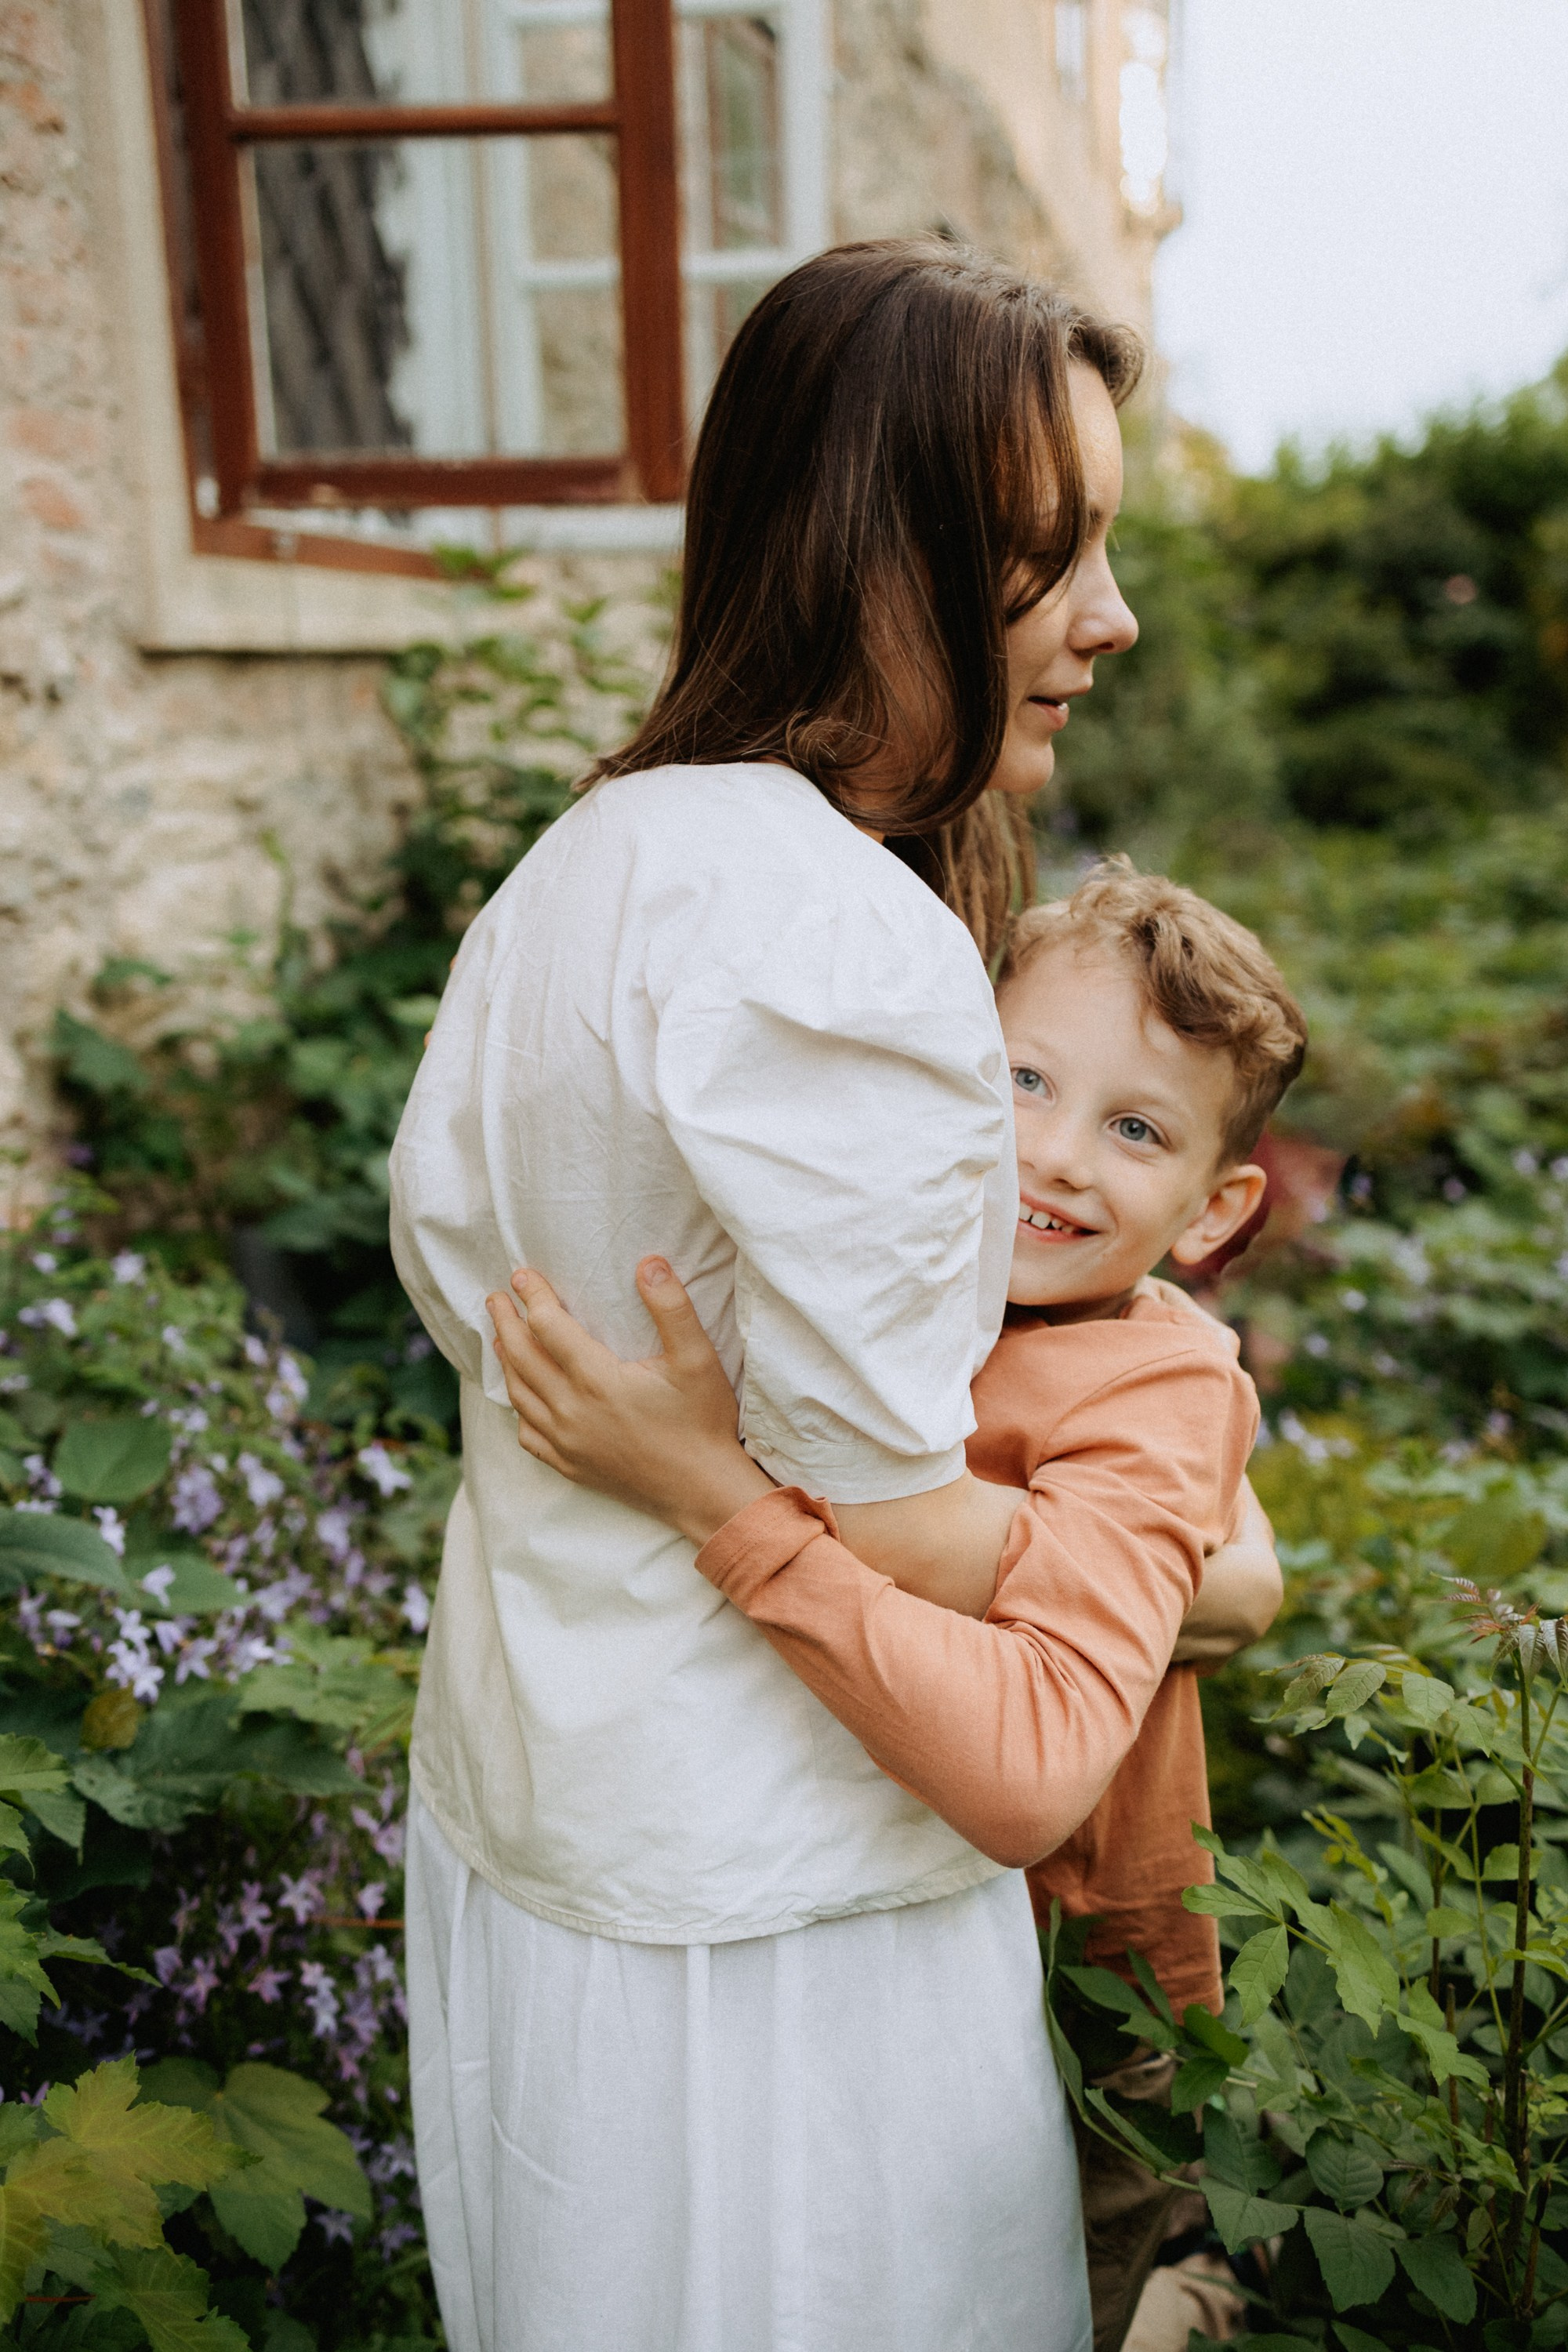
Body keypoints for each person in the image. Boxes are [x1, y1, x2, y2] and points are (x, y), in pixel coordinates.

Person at [389, 237, 1261, 2352]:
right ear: (883, 558)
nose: (1108, 622)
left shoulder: (580, 860)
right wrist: (1192, 1569)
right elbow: (897, 1529)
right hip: (786, 1930)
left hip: (542, 1824)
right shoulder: (842, 944)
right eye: (1053, 559)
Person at [485, 861, 1301, 2351]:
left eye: (1134, 1129)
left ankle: (1171, 2296)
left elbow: (1067, 1711)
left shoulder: (1165, 1373)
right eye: (1020, 1081)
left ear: (1215, 1205)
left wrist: (711, 1492)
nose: (1051, 1156)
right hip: (887, 1905)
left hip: (1092, 1956)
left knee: (1046, 2280)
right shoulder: (908, 1291)